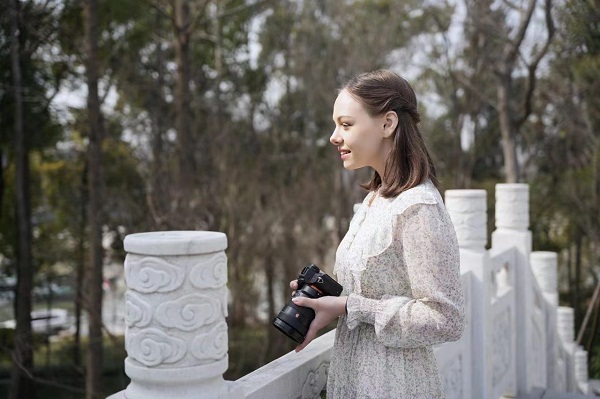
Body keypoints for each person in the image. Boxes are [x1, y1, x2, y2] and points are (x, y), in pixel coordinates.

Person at [289, 70, 464, 399]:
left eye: (346, 124)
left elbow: (446, 318)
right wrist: (327, 297)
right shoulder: (376, 199)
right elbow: (376, 286)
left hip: (395, 386)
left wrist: (351, 307)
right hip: (352, 381)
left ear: (388, 124)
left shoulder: (418, 206)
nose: (333, 136)